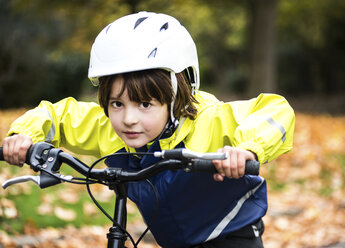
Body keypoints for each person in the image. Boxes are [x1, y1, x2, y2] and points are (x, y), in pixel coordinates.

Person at [2, 11, 295, 248]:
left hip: (229, 234)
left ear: (177, 95)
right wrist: (23, 136)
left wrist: (247, 149)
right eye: (116, 103)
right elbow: (58, 114)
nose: (128, 119)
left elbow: (275, 111)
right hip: (172, 239)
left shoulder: (211, 119)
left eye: (144, 104)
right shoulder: (110, 128)